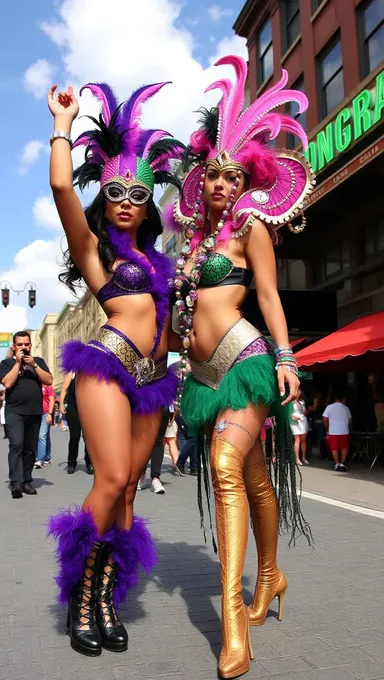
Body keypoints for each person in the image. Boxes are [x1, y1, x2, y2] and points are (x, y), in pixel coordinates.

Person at [169, 57, 313, 679]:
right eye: (214, 176)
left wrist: (287, 359)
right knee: (252, 477)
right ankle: (272, 575)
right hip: (201, 376)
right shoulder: (193, 242)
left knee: (227, 469)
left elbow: (271, 297)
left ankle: (232, 625)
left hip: (247, 359)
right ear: (202, 181)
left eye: (233, 177)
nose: (223, 186)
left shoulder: (249, 230)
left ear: (246, 180)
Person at [46, 81, 183, 656]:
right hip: (106, 364)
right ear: (104, 198)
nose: (127, 200)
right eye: (116, 191)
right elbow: (59, 185)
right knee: (107, 480)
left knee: (128, 489)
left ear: (150, 202)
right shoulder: (96, 252)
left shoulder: (163, 261)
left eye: (138, 193)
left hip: (153, 381)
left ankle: (107, 597)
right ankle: (80, 595)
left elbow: (174, 334)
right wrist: (63, 124)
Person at [0, 330, 53, 498]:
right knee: (17, 444)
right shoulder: (6, 363)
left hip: (34, 412)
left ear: (30, 345)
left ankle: (26, 481)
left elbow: (49, 380)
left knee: (30, 449)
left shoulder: (38, 362)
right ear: (14, 346)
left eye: (26, 344)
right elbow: (7, 383)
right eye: (20, 344)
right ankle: (16, 483)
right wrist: (17, 363)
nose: (23, 347)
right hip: (14, 412)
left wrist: (34, 366)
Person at [59, 373, 93, 474]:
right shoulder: (72, 372)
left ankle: (89, 463)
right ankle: (71, 463)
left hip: (88, 408)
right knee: (74, 436)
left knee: (88, 438)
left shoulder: (91, 371)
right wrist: (61, 404)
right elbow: (64, 388)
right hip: (73, 408)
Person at [323, 394, 352, 472]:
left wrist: (327, 428)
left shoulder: (329, 407)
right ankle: (342, 463)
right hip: (344, 431)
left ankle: (337, 463)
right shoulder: (346, 408)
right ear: (342, 399)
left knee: (334, 448)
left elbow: (325, 418)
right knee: (344, 447)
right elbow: (350, 420)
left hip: (333, 431)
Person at [35, 383, 55, 468]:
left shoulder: (47, 386)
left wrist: (50, 414)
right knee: (44, 436)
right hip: (35, 413)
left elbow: (52, 399)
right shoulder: (34, 384)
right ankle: (47, 457)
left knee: (41, 436)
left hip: (45, 413)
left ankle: (40, 459)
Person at [291, 389, 309, 466]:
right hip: (294, 421)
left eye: (300, 392)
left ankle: (304, 457)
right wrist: (292, 416)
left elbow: (304, 412)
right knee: (297, 439)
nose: (298, 393)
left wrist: (306, 411)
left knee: (303, 439)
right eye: (297, 392)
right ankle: (297, 458)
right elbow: (288, 412)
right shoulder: (290, 402)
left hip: (302, 420)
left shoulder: (302, 402)